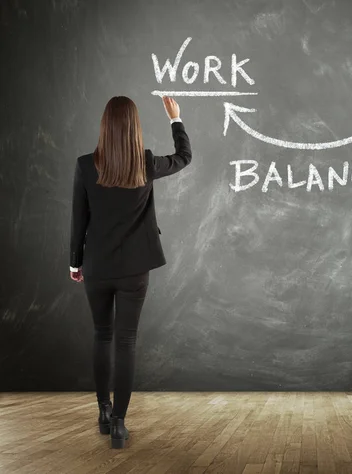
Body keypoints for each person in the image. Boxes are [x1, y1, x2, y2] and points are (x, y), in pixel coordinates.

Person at [69, 95, 192, 449]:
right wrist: (175, 119)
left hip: (97, 267)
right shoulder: (147, 163)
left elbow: (79, 219)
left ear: (104, 126)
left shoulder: (85, 165)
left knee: (101, 336)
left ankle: (104, 412)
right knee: (126, 342)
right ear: (134, 127)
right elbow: (184, 157)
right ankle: (120, 425)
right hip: (135, 270)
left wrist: (75, 262)